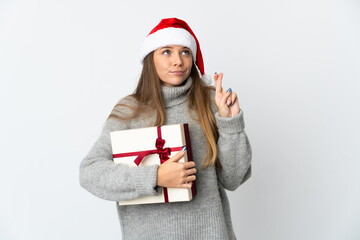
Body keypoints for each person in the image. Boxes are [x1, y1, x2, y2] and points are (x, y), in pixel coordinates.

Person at [79, 17, 252, 240]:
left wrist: (230, 122)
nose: (178, 61)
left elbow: (233, 179)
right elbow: (90, 173)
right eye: (167, 52)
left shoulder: (211, 102)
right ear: (151, 58)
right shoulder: (129, 111)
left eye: (185, 52)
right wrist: (155, 176)